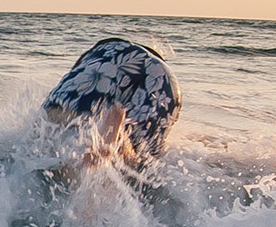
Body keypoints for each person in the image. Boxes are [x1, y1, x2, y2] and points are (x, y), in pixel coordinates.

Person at [43, 38, 181, 165]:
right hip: (166, 82)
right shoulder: (159, 66)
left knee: (50, 117)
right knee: (140, 159)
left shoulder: (98, 53)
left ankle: (110, 128)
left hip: (109, 53)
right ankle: (115, 131)